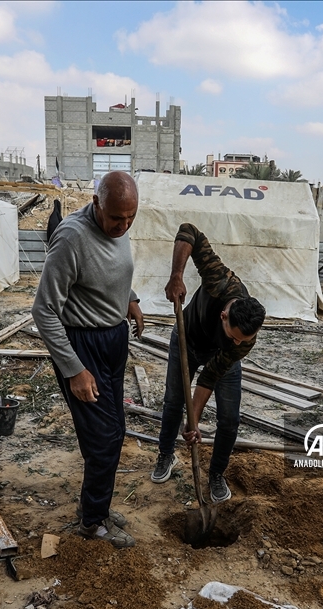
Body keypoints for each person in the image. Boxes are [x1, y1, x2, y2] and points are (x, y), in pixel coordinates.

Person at [32, 171, 144, 548]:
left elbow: (117, 269)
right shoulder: (71, 238)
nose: (123, 226)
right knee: (103, 438)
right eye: (116, 218)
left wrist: (130, 299)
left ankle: (95, 506)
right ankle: (92, 522)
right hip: (82, 345)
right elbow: (44, 311)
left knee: (114, 433)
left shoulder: (120, 222)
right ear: (96, 203)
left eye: (131, 218)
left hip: (113, 340)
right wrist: (74, 369)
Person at [150, 223, 266, 503]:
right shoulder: (219, 282)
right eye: (235, 337)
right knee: (174, 401)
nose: (239, 343)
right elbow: (189, 231)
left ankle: (216, 473)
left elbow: (210, 377)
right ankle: (166, 454)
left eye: (244, 340)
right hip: (187, 338)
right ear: (224, 316)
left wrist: (195, 422)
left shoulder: (244, 340)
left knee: (229, 418)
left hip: (216, 358)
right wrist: (176, 275)